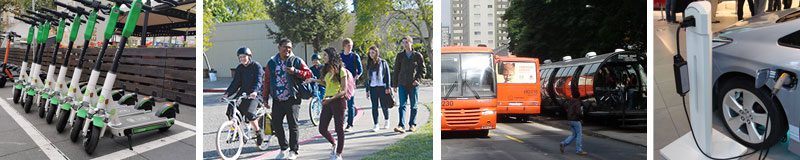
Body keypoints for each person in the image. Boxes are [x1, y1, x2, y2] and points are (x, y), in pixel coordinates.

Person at [262, 39, 312, 159]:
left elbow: (309, 74)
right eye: (285, 47)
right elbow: (267, 80)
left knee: (292, 125)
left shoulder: (296, 61)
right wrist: (265, 97)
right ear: (279, 48)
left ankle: (293, 151)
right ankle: (283, 148)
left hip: (292, 97)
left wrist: (296, 71)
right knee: (276, 124)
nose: (287, 50)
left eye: (289, 47)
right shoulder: (272, 63)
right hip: (277, 99)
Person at [222, 47, 265, 147]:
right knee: (231, 110)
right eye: (240, 57)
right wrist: (227, 94)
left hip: (256, 94)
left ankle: (258, 132)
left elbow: (259, 81)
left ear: (249, 56)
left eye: (244, 56)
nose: (242, 59)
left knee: (249, 113)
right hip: (243, 93)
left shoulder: (256, 66)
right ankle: (238, 132)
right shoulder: (240, 68)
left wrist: (254, 91)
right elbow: (235, 83)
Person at [313, 47, 348, 160]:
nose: (323, 58)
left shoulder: (341, 70)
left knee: (339, 129)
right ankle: (334, 143)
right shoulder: (327, 69)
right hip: (327, 101)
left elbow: (344, 90)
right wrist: (313, 80)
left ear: (331, 56)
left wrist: (331, 99)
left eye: (325, 56)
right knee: (322, 128)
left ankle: (338, 154)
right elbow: (325, 83)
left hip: (337, 101)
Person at [392, 36, 425, 133]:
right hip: (402, 83)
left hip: (413, 84)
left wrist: (418, 80)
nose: (405, 45)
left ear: (411, 43)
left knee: (414, 105)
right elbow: (396, 70)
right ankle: (401, 125)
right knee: (402, 105)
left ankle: (412, 124)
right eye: (403, 43)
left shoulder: (417, 55)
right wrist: (394, 84)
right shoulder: (400, 56)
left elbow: (422, 70)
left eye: (406, 42)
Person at [364, 46, 392, 132]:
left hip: (382, 87)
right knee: (374, 106)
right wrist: (367, 90)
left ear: (376, 53)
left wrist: (388, 87)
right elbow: (367, 78)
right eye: (370, 53)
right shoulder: (369, 64)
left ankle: (387, 120)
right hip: (373, 87)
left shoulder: (383, 62)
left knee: (384, 105)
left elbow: (387, 75)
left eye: (373, 52)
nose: (371, 54)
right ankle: (376, 124)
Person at [339, 38, 362, 132]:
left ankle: (350, 124)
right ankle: (340, 123)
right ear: (344, 46)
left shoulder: (355, 56)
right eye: (349, 46)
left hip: (350, 82)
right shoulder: (340, 56)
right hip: (341, 82)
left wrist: (355, 78)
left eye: (351, 46)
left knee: (350, 103)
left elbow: (360, 70)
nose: (350, 47)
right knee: (340, 104)